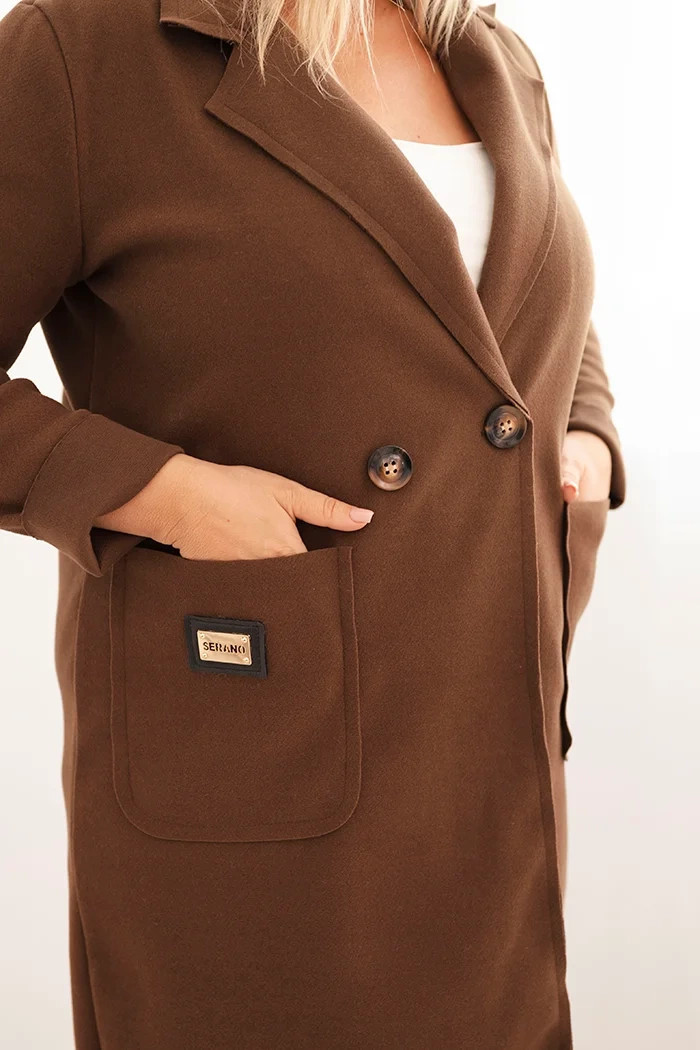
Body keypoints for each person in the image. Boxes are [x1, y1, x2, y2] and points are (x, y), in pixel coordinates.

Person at [0, 0, 626, 1046]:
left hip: (485, 760)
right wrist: (165, 492)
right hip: (259, 785)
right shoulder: (85, 48)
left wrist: (588, 433)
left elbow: (507, 296)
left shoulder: (484, 49)